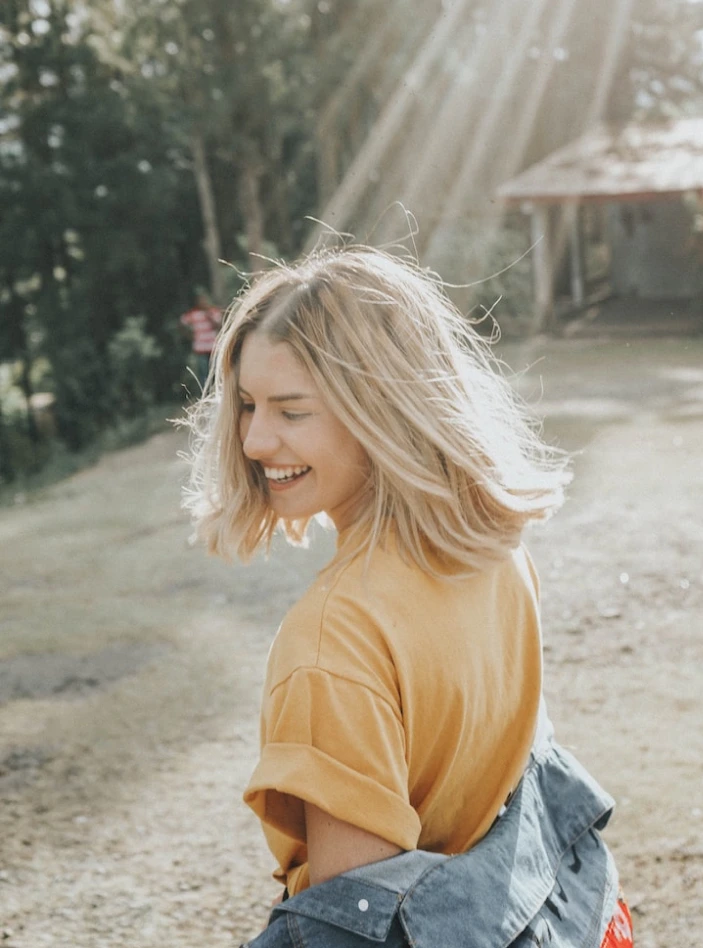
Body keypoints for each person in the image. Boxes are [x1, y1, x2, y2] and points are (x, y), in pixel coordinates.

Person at [182, 246, 633, 948]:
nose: (253, 438)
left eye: (291, 411)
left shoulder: (334, 639)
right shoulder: (492, 549)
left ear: (381, 410)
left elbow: (361, 928)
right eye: (245, 403)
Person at [180, 290, 223, 390]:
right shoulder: (193, 313)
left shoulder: (213, 311)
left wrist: (209, 315)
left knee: (216, 372)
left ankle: (216, 391)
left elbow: (218, 325)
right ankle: (205, 393)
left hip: (213, 347)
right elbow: (181, 323)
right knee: (203, 374)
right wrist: (189, 335)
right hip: (200, 348)